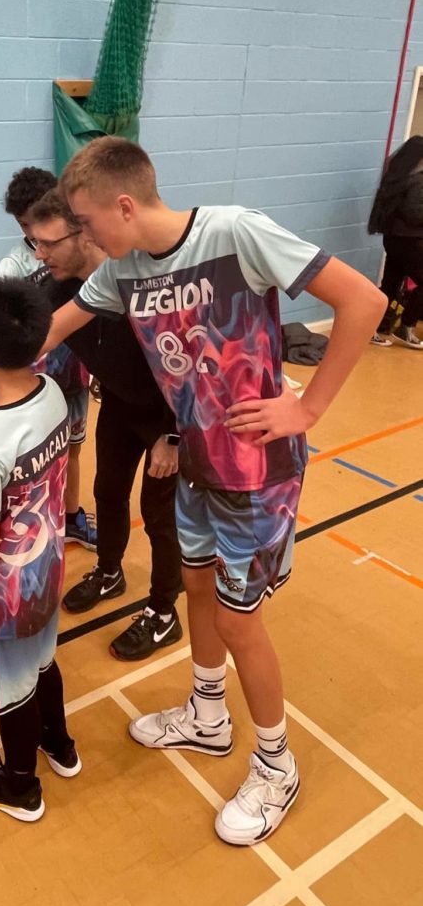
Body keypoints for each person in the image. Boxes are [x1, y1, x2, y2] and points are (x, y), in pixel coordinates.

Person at [43, 137, 385, 845]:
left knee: (238, 620)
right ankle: (207, 717)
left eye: (87, 222)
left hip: (258, 473)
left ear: (126, 205)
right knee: (195, 586)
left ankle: (275, 765)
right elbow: (49, 330)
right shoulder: (124, 272)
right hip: (197, 461)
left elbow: (365, 300)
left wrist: (308, 408)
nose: (84, 237)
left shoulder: (234, 233)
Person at [28, 190, 183, 660]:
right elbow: (11, 334)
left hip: (168, 418)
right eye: (33, 242)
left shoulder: (144, 282)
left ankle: (163, 613)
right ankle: (110, 571)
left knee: (159, 518)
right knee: (108, 492)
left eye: (48, 243)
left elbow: (189, 368)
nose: (39, 254)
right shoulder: (56, 288)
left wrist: (174, 437)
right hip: (118, 403)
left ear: (83, 234)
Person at [0, 278, 79, 824]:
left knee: (12, 686)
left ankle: (21, 786)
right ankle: (61, 744)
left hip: (5, 591)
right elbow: (9, 421)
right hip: (50, 566)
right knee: (44, 661)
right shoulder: (49, 391)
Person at [0, 166, 97, 550]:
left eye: (39, 223)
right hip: (34, 379)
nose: (33, 235)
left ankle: (72, 515)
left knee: (72, 448)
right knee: (36, 456)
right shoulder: (14, 267)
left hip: (74, 373)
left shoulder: (87, 256)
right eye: (25, 224)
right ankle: (27, 523)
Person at [368, 135, 423, 350]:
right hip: (411, 241)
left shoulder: (395, 177)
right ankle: (407, 326)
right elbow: (415, 213)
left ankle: (375, 326)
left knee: (390, 285)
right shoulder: (418, 180)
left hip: (393, 240)